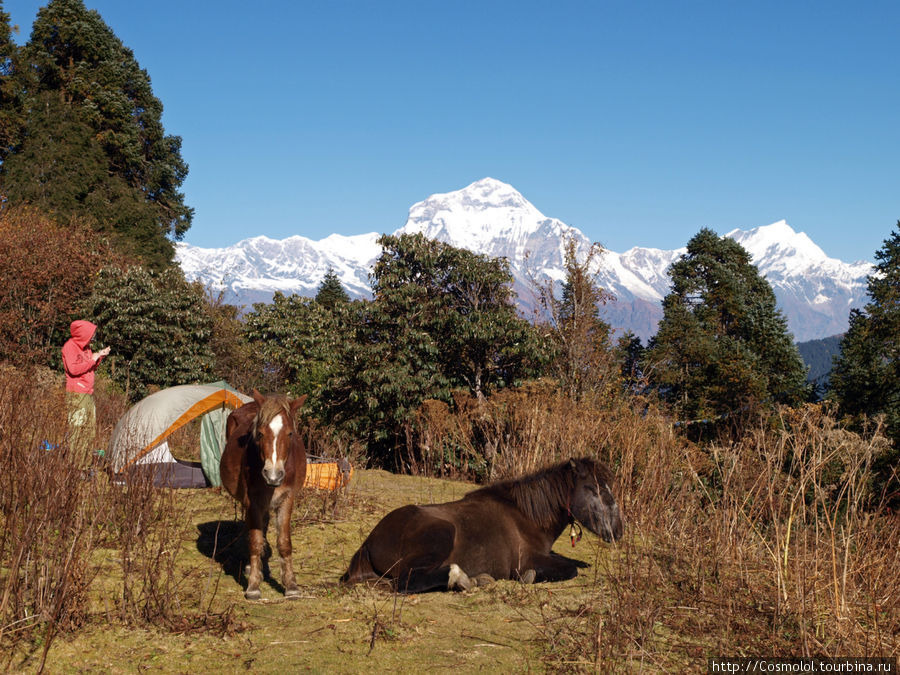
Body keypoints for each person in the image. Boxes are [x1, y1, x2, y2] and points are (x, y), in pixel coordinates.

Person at [61, 320, 110, 468]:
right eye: (91, 333)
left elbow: (89, 367)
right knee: (78, 431)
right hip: (76, 394)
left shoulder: (86, 348)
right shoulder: (69, 347)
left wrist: (99, 356)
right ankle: (77, 467)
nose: (93, 336)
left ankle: (85, 465)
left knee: (89, 431)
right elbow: (74, 369)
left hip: (88, 393)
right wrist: (93, 358)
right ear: (83, 334)